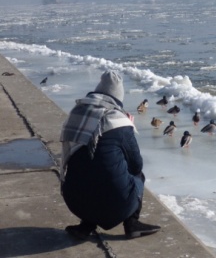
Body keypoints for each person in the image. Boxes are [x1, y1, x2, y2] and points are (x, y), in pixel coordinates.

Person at [60, 70, 160, 239]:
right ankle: (132, 224)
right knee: (136, 175)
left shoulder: (77, 112)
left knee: (86, 166)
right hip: (116, 205)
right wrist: (127, 126)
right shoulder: (117, 119)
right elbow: (136, 164)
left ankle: (86, 225)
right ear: (117, 99)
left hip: (74, 200)